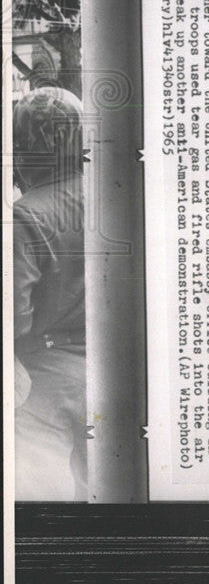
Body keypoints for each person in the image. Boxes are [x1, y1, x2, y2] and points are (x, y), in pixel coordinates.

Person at [13, 87, 87, 501]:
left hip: (43, 378)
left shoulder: (24, 213)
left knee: (43, 501)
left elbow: (15, 319)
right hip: (112, 373)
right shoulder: (115, 195)